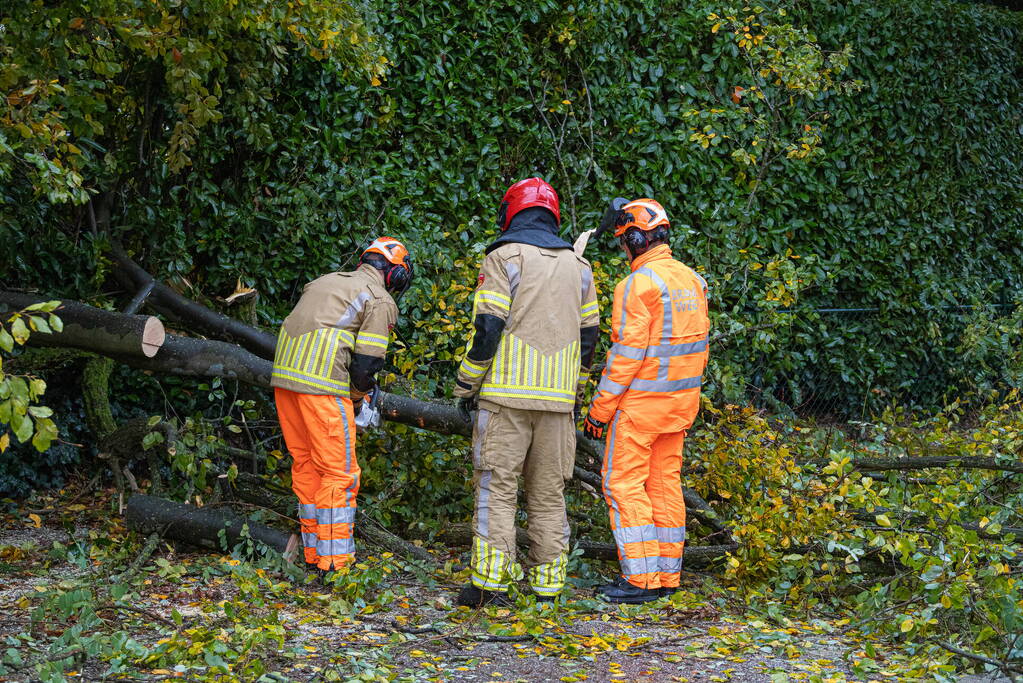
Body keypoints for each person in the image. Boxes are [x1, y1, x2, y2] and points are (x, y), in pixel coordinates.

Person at [453, 177, 600, 606]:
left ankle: (490, 585)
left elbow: (488, 329)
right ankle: (547, 589)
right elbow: (589, 338)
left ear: (511, 212)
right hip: (558, 406)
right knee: (549, 494)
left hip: (504, 400)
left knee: (496, 490)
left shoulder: (503, 257)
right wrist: (574, 392)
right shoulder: (580, 267)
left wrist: (466, 385)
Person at [583, 199, 709, 604]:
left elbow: (625, 358)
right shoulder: (693, 280)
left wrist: (599, 411)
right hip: (680, 406)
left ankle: (640, 579)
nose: (623, 248)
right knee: (664, 484)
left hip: (641, 407)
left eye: (624, 240)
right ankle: (667, 576)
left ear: (636, 239)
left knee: (622, 484)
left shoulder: (638, 285)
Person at [272, 237, 413, 579]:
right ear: (396, 274)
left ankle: (312, 553)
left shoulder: (323, 281)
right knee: (339, 474)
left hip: (286, 381)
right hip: (323, 385)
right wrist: (357, 397)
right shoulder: (378, 299)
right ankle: (335, 564)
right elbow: (367, 365)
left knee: (306, 465)